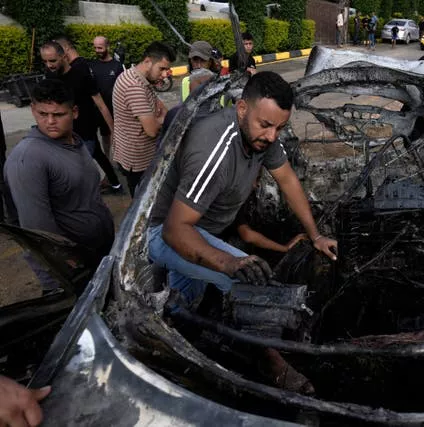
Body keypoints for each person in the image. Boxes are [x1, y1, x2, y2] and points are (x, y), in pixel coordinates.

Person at [147, 72, 338, 392]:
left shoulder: (262, 136)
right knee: (247, 278)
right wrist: (230, 263)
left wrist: (315, 235)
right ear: (241, 110)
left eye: (280, 127)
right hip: (166, 230)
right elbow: (172, 231)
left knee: (184, 305)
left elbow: (288, 180)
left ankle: (171, 337)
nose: (273, 135)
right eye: (266, 125)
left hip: (201, 230)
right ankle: (270, 361)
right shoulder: (214, 150)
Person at [3, 79, 115, 260]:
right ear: (33, 110)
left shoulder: (74, 141)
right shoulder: (28, 159)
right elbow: (38, 232)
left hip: (99, 250)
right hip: (75, 266)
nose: (50, 121)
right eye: (42, 113)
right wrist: (66, 274)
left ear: (74, 112)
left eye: (58, 114)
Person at [40, 39, 123, 194]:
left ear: (63, 56)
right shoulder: (50, 76)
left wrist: (113, 129)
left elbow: (100, 103)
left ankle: (91, 197)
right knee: (96, 155)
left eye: (52, 60)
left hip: (85, 131)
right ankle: (116, 184)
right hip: (63, 132)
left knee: (80, 169)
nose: (49, 65)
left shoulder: (80, 73)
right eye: (45, 61)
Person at [112, 41, 175, 197]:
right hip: (137, 160)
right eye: (162, 68)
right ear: (147, 61)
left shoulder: (137, 77)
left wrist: (157, 117)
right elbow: (152, 130)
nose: (164, 74)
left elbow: (161, 108)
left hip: (135, 153)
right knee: (142, 201)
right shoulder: (135, 87)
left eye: (167, 69)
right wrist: (158, 119)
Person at [90, 36, 123, 164]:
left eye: (100, 47)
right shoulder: (92, 65)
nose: (97, 50)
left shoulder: (117, 66)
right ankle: (108, 160)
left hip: (114, 109)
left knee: (117, 136)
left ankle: (120, 160)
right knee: (105, 137)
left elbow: (122, 88)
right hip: (98, 111)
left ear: (107, 47)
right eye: (95, 47)